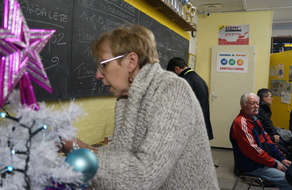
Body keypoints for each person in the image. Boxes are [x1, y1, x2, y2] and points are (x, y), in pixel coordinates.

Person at [62, 25, 219, 189]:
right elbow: (121, 157)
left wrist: (84, 156)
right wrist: (79, 146)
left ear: (130, 62)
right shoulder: (128, 98)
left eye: (103, 64)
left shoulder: (172, 89)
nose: (98, 74)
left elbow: (144, 176)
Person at [229, 92, 292, 189]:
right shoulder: (241, 123)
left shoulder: (255, 120)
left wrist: (281, 158)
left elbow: (268, 141)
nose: (256, 106)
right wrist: (275, 163)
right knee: (291, 180)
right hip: (252, 166)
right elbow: (253, 150)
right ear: (243, 105)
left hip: (263, 161)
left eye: (257, 103)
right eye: (252, 103)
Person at [166, 57, 213, 140]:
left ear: (177, 68)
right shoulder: (199, 79)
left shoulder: (185, 81)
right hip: (201, 125)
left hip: (191, 127)